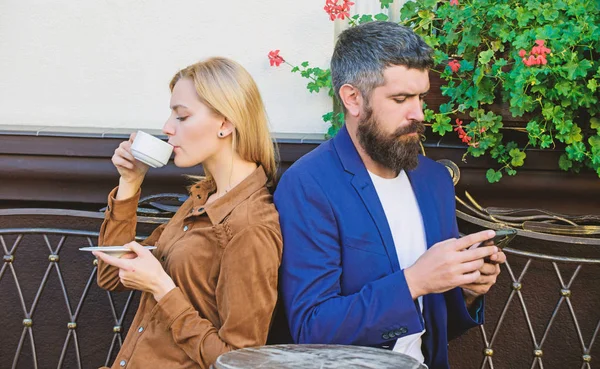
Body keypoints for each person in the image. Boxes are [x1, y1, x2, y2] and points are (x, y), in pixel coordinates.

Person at [273, 22, 506, 368]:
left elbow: (430, 329)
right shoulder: (308, 184)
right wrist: (415, 280)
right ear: (352, 98)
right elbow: (312, 327)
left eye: (421, 97)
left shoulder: (433, 181)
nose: (419, 114)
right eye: (400, 99)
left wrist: (468, 292)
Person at [93, 57, 282, 369]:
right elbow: (111, 275)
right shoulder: (202, 199)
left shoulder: (250, 225)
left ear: (225, 124)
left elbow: (240, 361)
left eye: (181, 116)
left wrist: (162, 288)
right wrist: (129, 183)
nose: (167, 128)